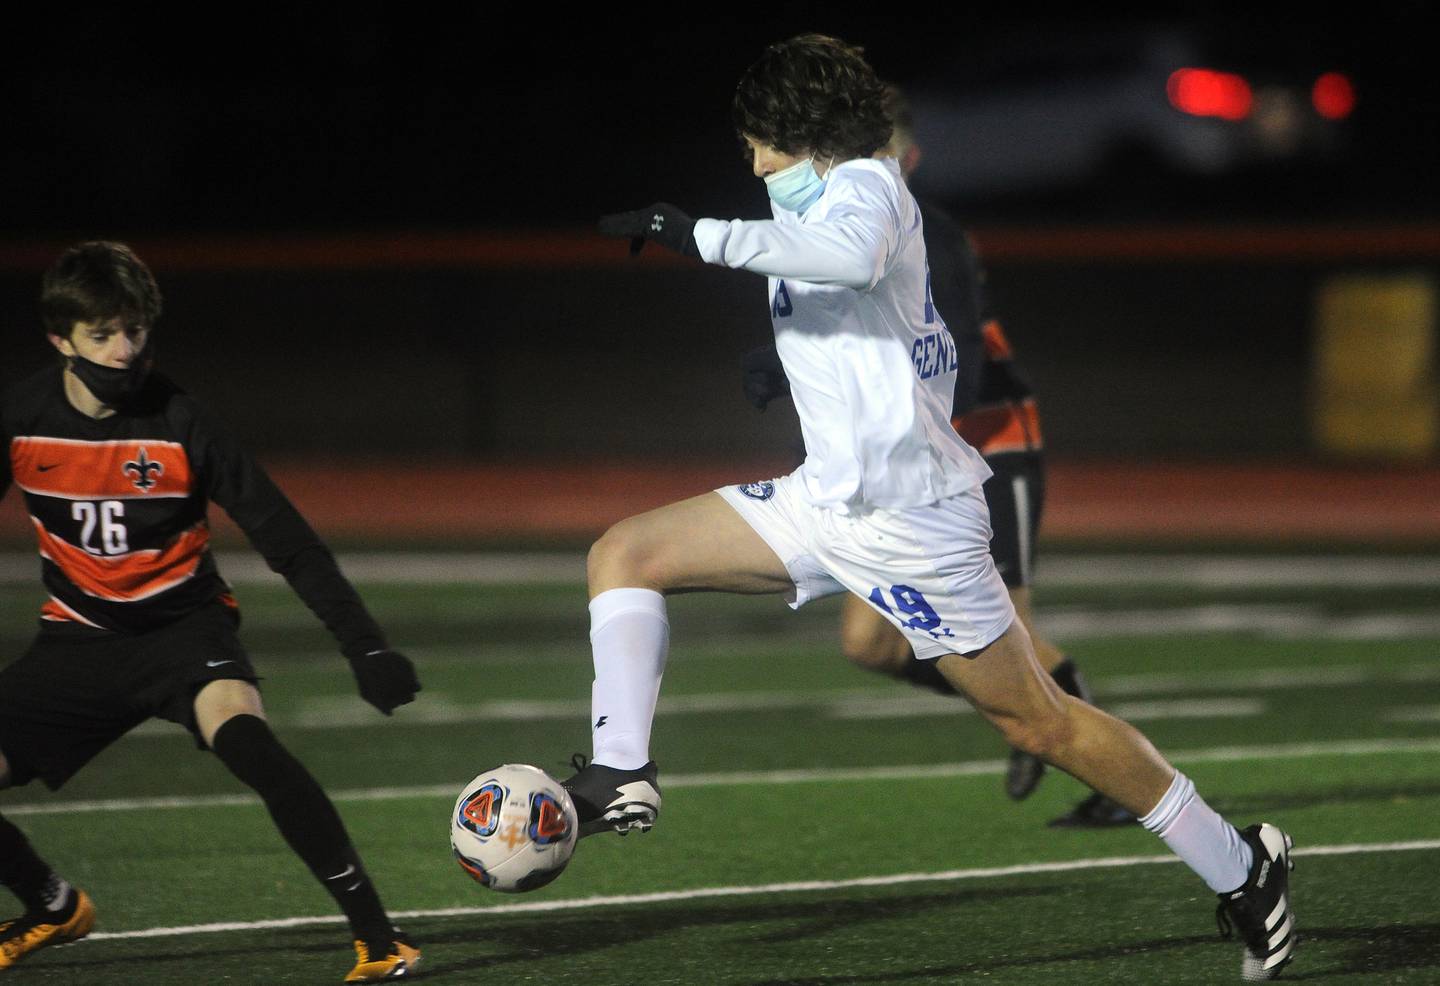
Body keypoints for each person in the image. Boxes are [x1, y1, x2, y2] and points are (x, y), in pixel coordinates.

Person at [573, 34, 1297, 981]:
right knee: (624, 553)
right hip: (823, 501)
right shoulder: (819, 200)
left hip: (914, 522)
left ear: (806, 134)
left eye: (761, 144)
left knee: (1041, 723)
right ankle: (621, 770)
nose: (751, 165)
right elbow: (854, 316)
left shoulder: (866, 188)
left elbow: (849, 257)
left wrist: (694, 234)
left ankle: (1244, 868)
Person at [0, 242, 422, 982]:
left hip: (184, 636)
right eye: (102, 334)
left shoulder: (182, 419)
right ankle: (52, 905)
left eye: (136, 330)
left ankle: (379, 941)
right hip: (77, 640)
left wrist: (367, 647)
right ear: (60, 339)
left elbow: (288, 542)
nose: (126, 350)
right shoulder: (21, 418)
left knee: (256, 752)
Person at [741, 87, 1135, 828]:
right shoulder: (833, 236)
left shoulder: (929, 234)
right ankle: (1039, 700)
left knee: (1007, 633)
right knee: (867, 642)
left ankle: (1075, 738)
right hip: (915, 465)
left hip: (985, 443)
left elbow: (953, 372)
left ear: (905, 160)